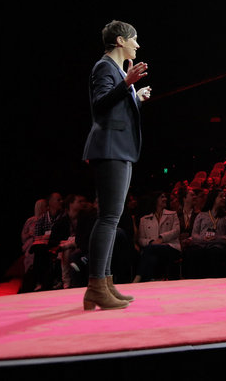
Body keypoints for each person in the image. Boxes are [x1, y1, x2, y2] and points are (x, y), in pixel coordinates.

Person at [81, 20, 150, 310]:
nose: (137, 44)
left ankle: (105, 282)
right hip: (110, 148)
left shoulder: (117, 71)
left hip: (119, 148)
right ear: (121, 40)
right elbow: (99, 104)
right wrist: (127, 85)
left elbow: (116, 106)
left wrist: (136, 97)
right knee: (108, 218)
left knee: (112, 217)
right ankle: (96, 286)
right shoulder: (104, 67)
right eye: (134, 39)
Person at [134, 192, 181, 282]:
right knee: (152, 257)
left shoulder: (172, 214)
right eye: (162, 197)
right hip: (153, 249)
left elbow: (176, 231)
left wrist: (161, 239)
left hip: (170, 247)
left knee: (149, 250)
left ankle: (138, 276)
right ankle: (150, 281)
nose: (165, 199)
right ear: (155, 199)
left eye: (165, 197)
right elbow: (140, 239)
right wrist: (151, 242)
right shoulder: (144, 219)